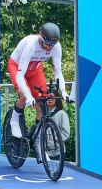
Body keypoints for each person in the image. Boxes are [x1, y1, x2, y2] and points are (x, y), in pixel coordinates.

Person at [8, 22, 69, 154]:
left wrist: (64, 91)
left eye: (52, 45)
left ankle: (38, 137)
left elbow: (58, 73)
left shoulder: (56, 47)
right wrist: (29, 96)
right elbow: (20, 75)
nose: (50, 48)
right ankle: (14, 120)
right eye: (47, 44)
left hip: (36, 69)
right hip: (17, 67)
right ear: (41, 38)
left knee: (42, 101)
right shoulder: (31, 44)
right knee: (24, 96)